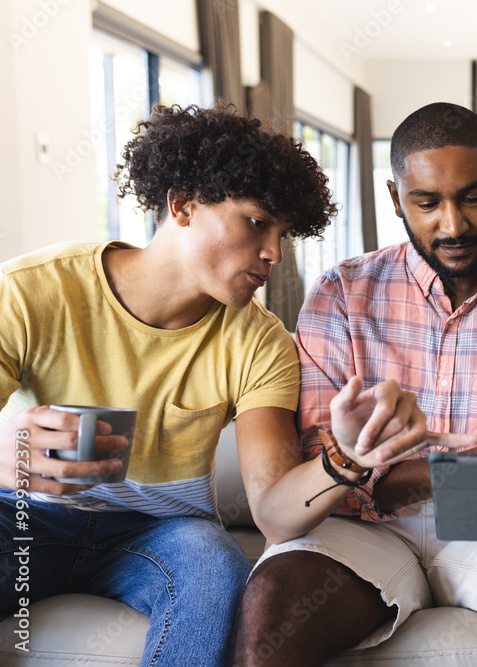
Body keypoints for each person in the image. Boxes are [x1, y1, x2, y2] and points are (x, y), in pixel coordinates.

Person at [0, 103, 431, 666]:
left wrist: (346, 456)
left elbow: (274, 512)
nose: (274, 253)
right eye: (257, 222)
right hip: (25, 516)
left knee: (216, 565)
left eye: (283, 234)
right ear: (181, 204)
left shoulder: (261, 344)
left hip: (163, 532)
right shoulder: (32, 292)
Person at [234, 102, 477, 666]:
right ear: (396, 199)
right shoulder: (340, 295)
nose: (453, 224)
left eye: (472, 196)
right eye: (427, 202)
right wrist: (467, 470)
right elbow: (321, 472)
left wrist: (408, 475)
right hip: (359, 533)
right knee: (273, 598)